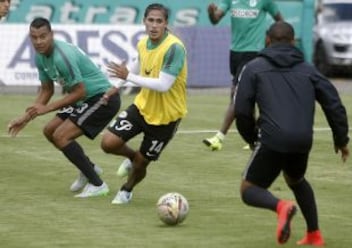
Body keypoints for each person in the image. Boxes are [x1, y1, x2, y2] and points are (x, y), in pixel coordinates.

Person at [234, 21, 350, 246]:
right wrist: (341, 139)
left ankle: (282, 207)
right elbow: (333, 102)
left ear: (267, 40)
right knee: (296, 179)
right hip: (303, 140)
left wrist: (251, 138)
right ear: (293, 41)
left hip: (273, 139)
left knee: (248, 190)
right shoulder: (308, 69)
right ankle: (314, 234)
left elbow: (241, 109)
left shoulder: (254, 67)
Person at [8, 17, 121, 198]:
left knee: (61, 136)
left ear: (52, 35)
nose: (38, 42)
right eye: (34, 37)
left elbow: (80, 92)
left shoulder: (62, 56)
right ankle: (89, 169)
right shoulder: (40, 57)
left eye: (43, 36)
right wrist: (26, 118)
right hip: (84, 99)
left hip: (103, 98)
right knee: (49, 130)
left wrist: (47, 108)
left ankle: (98, 185)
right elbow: (47, 89)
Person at [101, 3, 187, 205]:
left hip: (167, 117)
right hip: (142, 107)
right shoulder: (143, 43)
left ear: (166, 24)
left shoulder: (174, 48)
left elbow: (164, 85)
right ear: (144, 22)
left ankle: (126, 190)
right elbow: (138, 65)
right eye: (151, 20)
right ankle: (132, 157)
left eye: (159, 21)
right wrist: (117, 86)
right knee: (108, 143)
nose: (154, 25)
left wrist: (129, 76)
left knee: (142, 163)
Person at [203, 0, 283, 151]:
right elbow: (215, 19)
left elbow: (280, 22)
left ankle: (219, 137)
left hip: (254, 52)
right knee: (247, 96)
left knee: (237, 94)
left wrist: (271, 40)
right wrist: (211, 12)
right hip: (235, 52)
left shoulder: (265, 2)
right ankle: (253, 140)